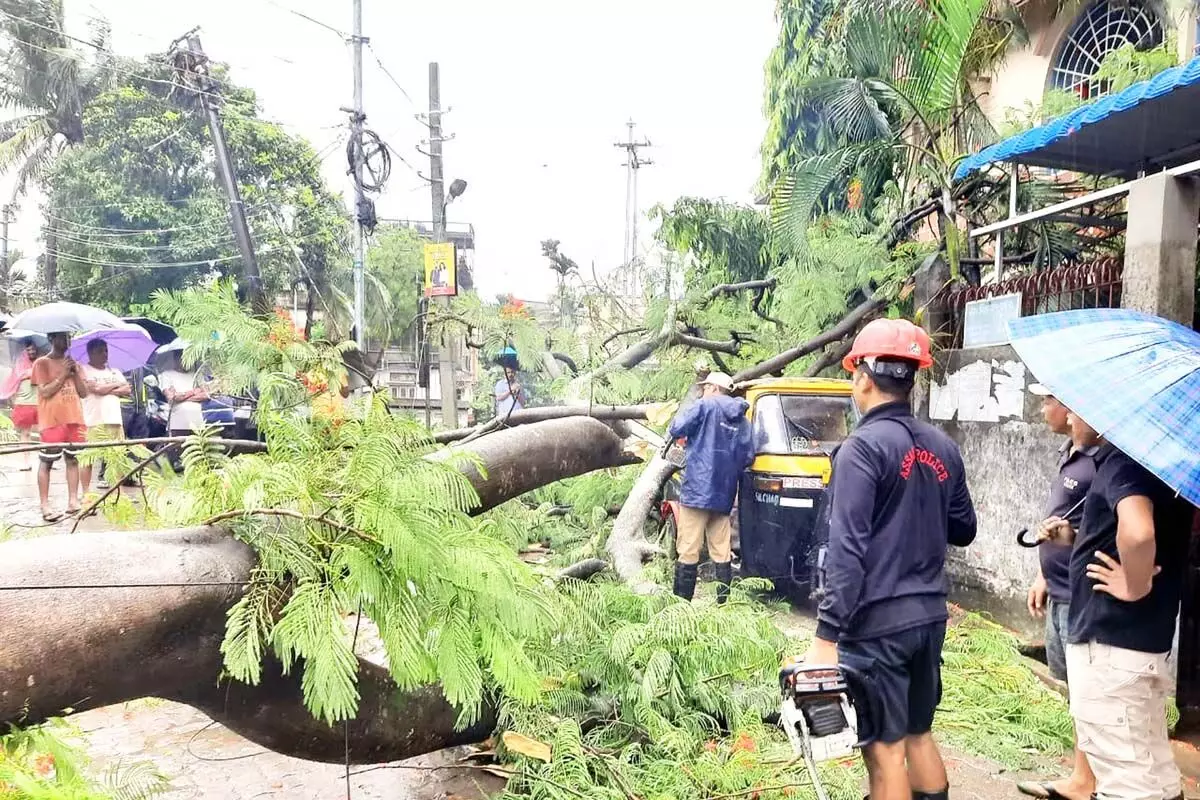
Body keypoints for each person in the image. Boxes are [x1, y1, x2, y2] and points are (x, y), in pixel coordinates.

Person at [803, 318, 976, 800]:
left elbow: (847, 548)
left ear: (863, 376)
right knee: (918, 731)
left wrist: (825, 636)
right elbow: (964, 529)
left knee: (884, 749)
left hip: (877, 624)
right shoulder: (944, 447)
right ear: (911, 376)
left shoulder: (861, 449)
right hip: (928, 618)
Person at [1038, 411, 1191, 800]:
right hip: (1141, 645)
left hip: (1111, 649)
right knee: (1154, 775)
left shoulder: (1125, 460)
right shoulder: (1163, 463)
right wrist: (1077, 537)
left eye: (1078, 409)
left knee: (1126, 784)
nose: (1071, 417)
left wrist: (1134, 585)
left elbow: (1139, 533)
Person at [1017, 385, 1098, 800]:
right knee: (1070, 684)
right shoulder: (1070, 455)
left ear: (1071, 408)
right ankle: (1081, 772)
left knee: (1085, 690)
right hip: (1059, 588)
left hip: (1081, 596)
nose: (1042, 407)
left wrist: (1072, 539)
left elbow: (1105, 532)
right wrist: (1044, 574)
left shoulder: (1100, 465)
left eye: (1048, 399)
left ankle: (1085, 781)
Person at [665, 371, 754, 604]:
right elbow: (748, 456)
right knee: (722, 551)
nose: (703, 391)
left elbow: (676, 428)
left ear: (714, 388)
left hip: (697, 491)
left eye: (705, 387)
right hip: (724, 494)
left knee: (688, 549)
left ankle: (681, 607)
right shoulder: (742, 420)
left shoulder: (704, 406)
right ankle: (723, 605)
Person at [31, 332, 88, 521]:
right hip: (52, 420)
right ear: (52, 339)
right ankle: (45, 504)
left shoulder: (74, 364)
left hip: (75, 419)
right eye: (63, 338)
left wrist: (74, 373)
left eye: (69, 338)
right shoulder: (41, 363)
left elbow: (83, 393)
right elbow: (45, 392)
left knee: (73, 460)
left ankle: (73, 501)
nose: (67, 342)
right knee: (47, 462)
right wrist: (63, 374)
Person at [79, 339, 130, 495]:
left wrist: (106, 389)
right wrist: (115, 386)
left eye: (106, 350)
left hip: (114, 419)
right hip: (94, 420)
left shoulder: (114, 371)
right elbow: (96, 389)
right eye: (100, 351)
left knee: (117, 457)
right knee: (89, 458)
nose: (105, 354)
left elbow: (127, 389)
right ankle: (86, 494)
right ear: (91, 353)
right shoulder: (84, 370)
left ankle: (118, 493)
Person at [0, 339, 42, 472]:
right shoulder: (19, 365)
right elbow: (13, 382)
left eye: (33, 349)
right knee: (25, 433)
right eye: (28, 349)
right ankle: (25, 460)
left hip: (39, 403)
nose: (31, 351)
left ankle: (45, 458)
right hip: (23, 403)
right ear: (24, 351)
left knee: (43, 431)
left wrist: (32, 374)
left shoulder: (40, 363)